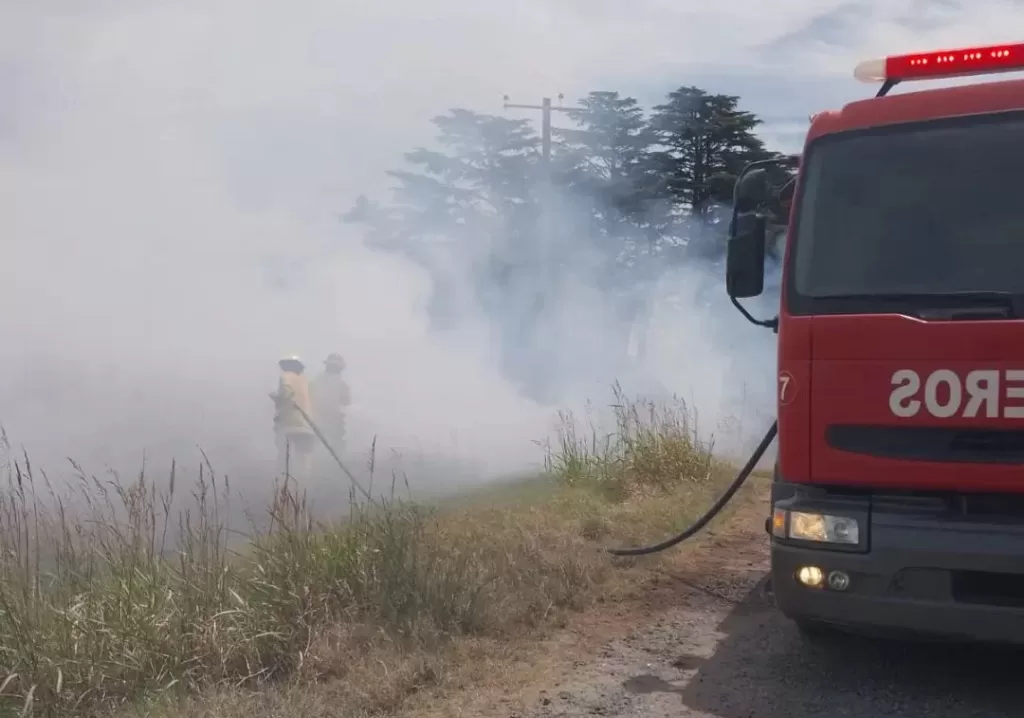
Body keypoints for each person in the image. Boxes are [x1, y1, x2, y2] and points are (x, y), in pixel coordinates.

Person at [269, 355, 316, 481]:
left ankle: (282, 481)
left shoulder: (285, 376)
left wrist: (277, 398)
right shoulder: (305, 381)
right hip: (306, 425)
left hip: (288, 423)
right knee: (304, 456)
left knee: (284, 455)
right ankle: (306, 483)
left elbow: (288, 392)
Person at [309, 352, 351, 457]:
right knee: (335, 443)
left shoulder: (317, 380)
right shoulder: (341, 384)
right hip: (326, 417)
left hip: (321, 417)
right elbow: (346, 401)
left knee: (316, 442)